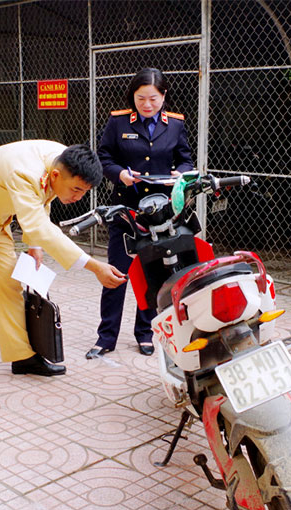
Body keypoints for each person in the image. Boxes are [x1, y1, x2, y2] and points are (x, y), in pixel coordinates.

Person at [0, 141, 126, 412]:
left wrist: (34, 246)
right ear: (59, 175)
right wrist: (94, 266)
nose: (78, 197)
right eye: (76, 190)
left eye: (84, 192)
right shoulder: (24, 171)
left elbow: (40, 203)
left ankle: (22, 357)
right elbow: (38, 222)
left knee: (9, 288)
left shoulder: (61, 159)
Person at [86, 68, 194, 359]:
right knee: (117, 273)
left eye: (154, 99)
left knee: (152, 276)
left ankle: (145, 334)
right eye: (141, 98)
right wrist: (119, 173)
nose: (147, 105)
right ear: (133, 96)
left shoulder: (175, 124)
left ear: (164, 96)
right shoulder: (118, 121)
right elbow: (104, 156)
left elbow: (185, 159)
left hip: (160, 212)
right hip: (125, 209)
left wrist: (181, 173)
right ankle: (106, 337)